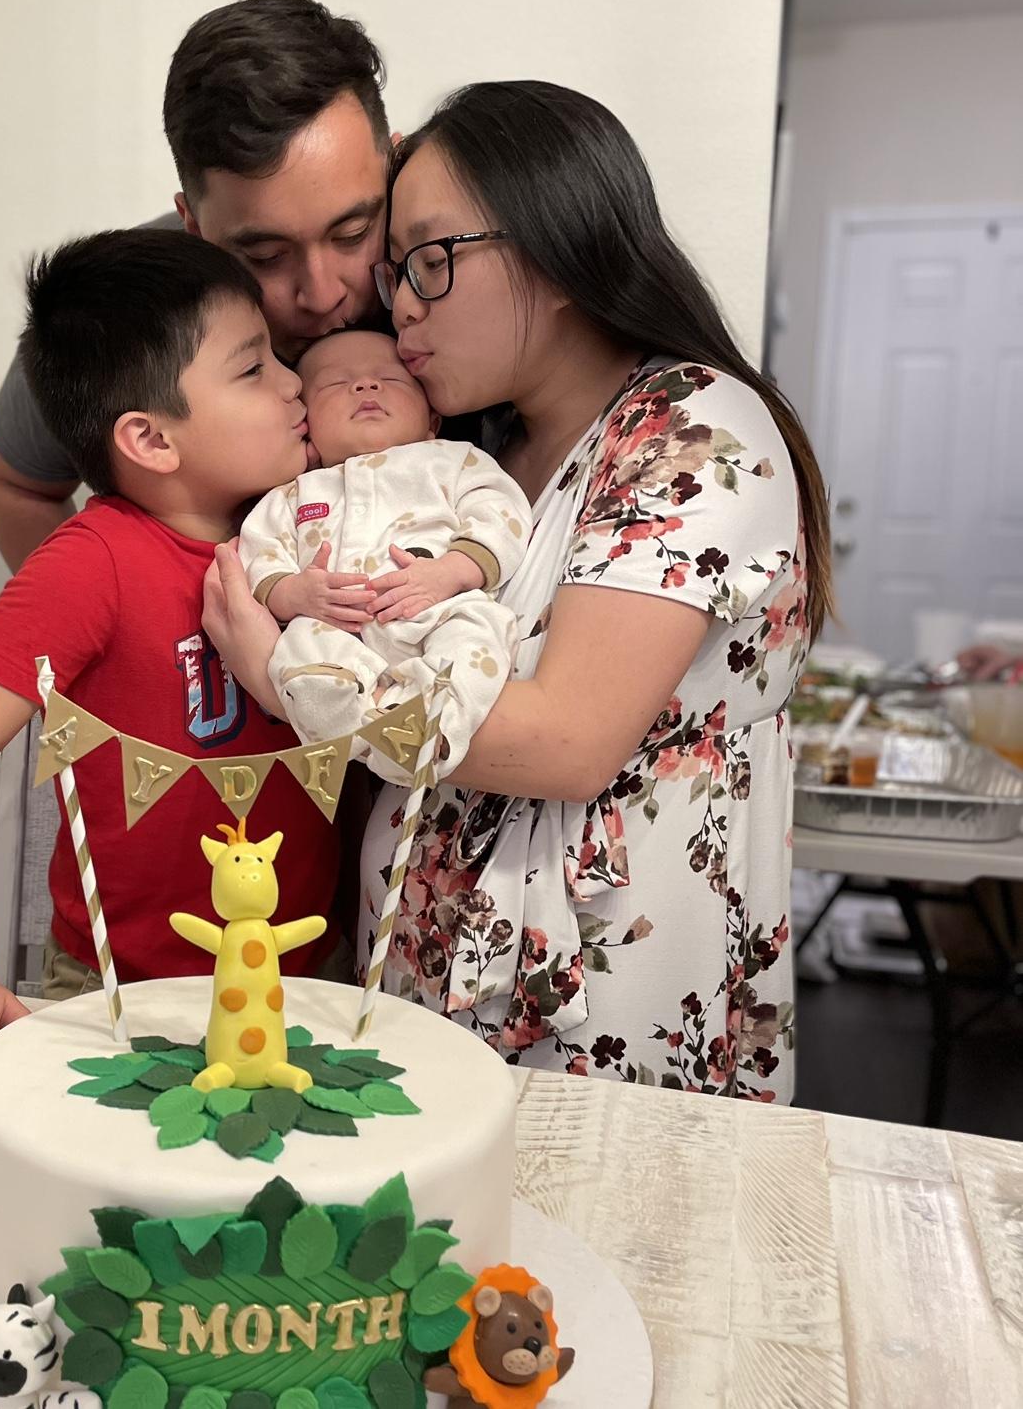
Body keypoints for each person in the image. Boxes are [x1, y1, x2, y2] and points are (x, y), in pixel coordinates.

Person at [205, 81, 832, 1102]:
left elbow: (566, 742)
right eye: (398, 270)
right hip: (431, 996)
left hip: (602, 1012)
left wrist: (286, 678)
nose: (402, 304)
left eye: (431, 260)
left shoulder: (688, 431)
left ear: (557, 242)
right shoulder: (484, 453)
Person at [0, 230, 341, 1085]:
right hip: (114, 993)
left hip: (306, 980)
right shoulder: (94, 563)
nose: (292, 381)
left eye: (278, 356)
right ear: (151, 440)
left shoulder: (315, 530)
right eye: (252, 368)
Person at [0, 0, 393, 570]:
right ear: (192, 225)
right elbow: (18, 485)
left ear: (393, 165)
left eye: (353, 233)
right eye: (266, 255)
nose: (322, 293)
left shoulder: (458, 266)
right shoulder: (129, 308)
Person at [239, 329, 530, 783]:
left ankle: (434, 726)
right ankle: (347, 715)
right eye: (336, 384)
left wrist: (453, 572)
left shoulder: (453, 460)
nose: (365, 385)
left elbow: (502, 512)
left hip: (436, 608)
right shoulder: (295, 493)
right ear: (306, 426)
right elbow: (260, 553)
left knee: (479, 629)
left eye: (391, 379)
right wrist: (294, 594)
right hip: (341, 631)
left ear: (432, 420)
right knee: (299, 646)